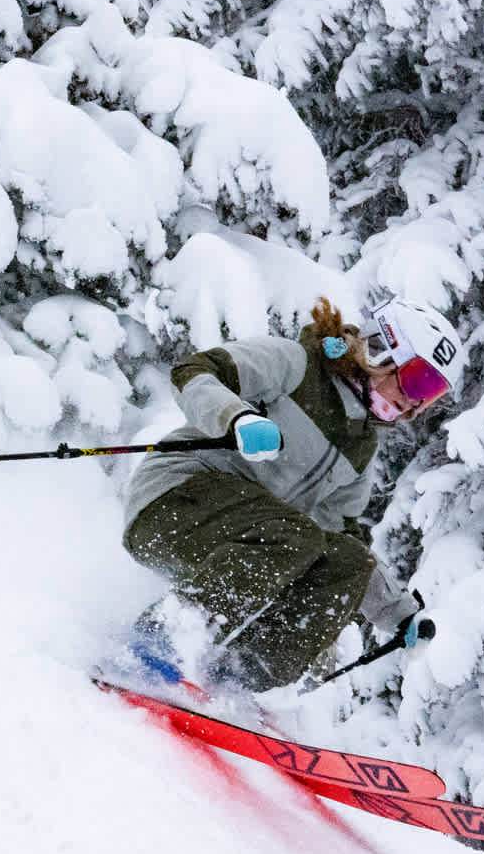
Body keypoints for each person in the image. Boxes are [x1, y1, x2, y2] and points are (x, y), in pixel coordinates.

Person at [119, 296, 464, 690]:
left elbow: (344, 542)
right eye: (421, 380)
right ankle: (160, 638)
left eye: (433, 394)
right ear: (384, 348)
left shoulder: (359, 448)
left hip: (240, 540)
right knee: (294, 536)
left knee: (346, 561)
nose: (417, 402)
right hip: (173, 499)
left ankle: (236, 679)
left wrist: (400, 615)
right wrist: (236, 417)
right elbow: (196, 371)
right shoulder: (297, 366)